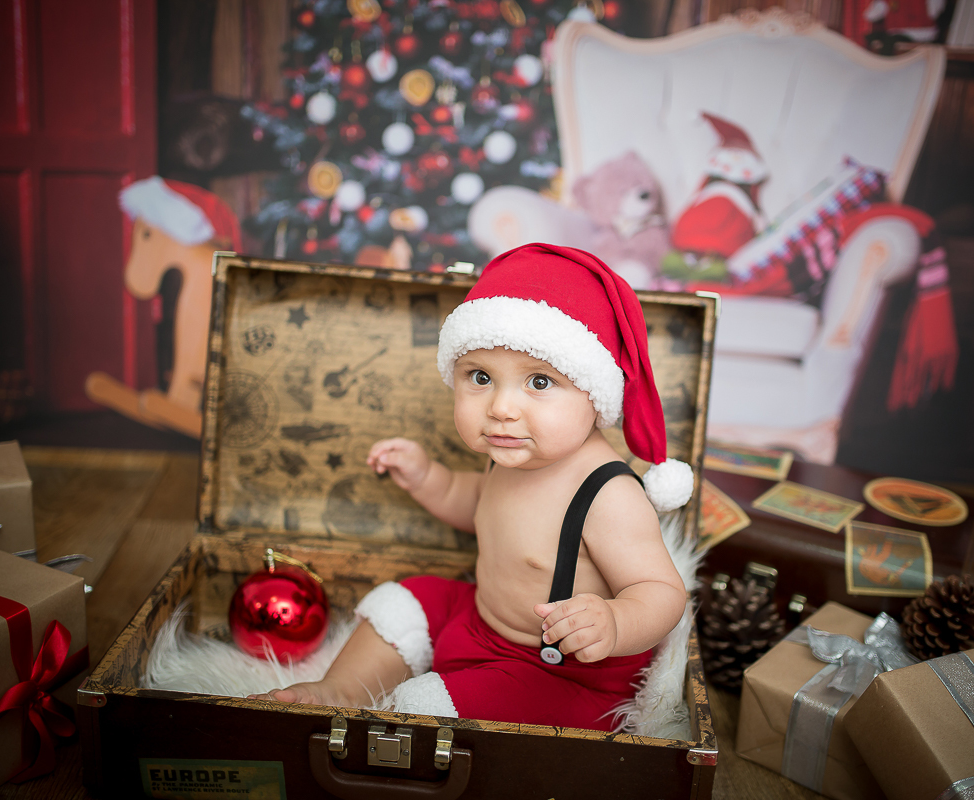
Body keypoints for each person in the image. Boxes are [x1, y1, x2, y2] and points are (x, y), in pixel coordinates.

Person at [250, 243, 695, 731]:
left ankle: (426, 709)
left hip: (559, 671)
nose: (501, 408)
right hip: (480, 621)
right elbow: (479, 505)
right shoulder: (513, 450)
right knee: (405, 601)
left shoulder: (607, 494)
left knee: (429, 707)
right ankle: (335, 691)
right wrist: (427, 479)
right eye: (480, 377)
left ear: (595, 393)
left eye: (540, 383)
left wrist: (614, 622)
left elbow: (661, 591)